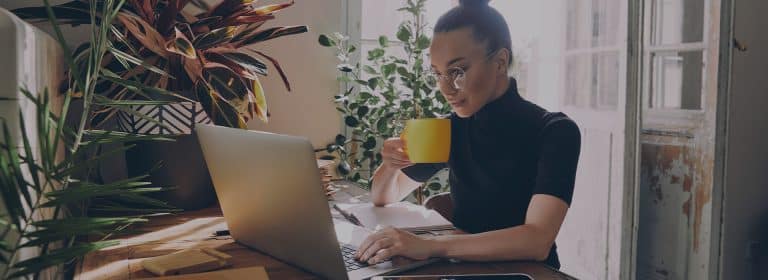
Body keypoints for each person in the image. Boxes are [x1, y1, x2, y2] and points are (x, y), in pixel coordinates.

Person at [353, 0, 581, 269]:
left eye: (457, 71)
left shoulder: (555, 131)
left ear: (500, 61)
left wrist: (431, 247)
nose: (446, 88)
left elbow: (536, 241)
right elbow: (383, 197)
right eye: (438, 74)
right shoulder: (451, 129)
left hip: (527, 274)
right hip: (462, 269)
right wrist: (390, 166)